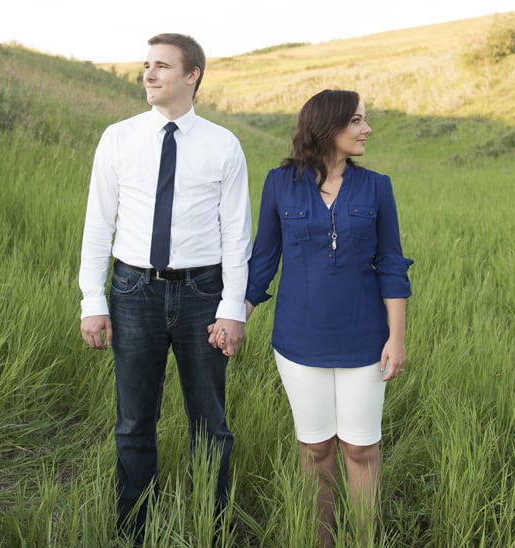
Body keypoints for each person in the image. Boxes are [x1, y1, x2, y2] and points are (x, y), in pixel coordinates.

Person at [78, 33, 253, 542]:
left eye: (161, 66)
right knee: (134, 422)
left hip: (204, 293)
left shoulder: (223, 145)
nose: (149, 75)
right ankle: (136, 530)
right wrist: (93, 299)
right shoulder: (118, 137)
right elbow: (97, 224)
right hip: (134, 291)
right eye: (146, 65)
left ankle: (211, 527)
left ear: (192, 74)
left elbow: (237, 234)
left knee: (210, 424)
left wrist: (232, 309)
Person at [241, 88, 413, 547]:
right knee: (315, 448)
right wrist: (237, 316)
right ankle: (321, 540)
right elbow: (263, 260)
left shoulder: (377, 186)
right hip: (298, 340)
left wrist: (396, 338)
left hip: (364, 339)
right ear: (327, 126)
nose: (366, 129)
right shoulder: (280, 184)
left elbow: (392, 265)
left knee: (360, 448)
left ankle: (364, 539)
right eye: (356, 120)